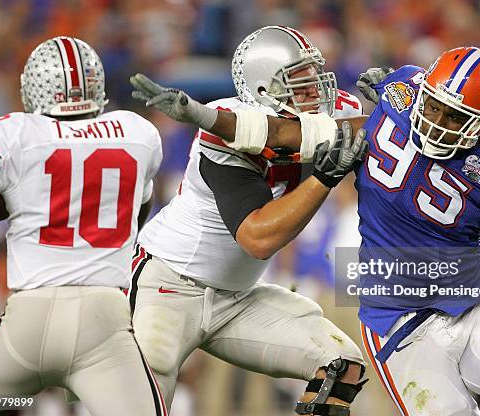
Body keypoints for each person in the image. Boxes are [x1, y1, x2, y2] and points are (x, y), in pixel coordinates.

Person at [131, 45, 480, 416]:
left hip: (469, 302)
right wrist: (202, 115)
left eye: (454, 117)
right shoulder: (396, 102)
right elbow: (282, 134)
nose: (437, 122)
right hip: (397, 320)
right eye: (434, 106)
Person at [129, 26, 369, 416]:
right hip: (170, 285)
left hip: (238, 296)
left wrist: (399, 102)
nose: (315, 89)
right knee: (145, 399)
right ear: (262, 91)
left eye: (314, 75)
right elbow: (258, 237)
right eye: (299, 80)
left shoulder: (331, 112)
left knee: (341, 366)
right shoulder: (225, 134)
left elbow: (371, 131)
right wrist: (323, 178)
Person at [0, 36, 167, 416]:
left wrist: (6, 198)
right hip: (106, 325)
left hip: (30, 319)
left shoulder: (15, 131)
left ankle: (11, 405)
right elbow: (134, 219)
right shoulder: (138, 132)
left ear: (33, 87)